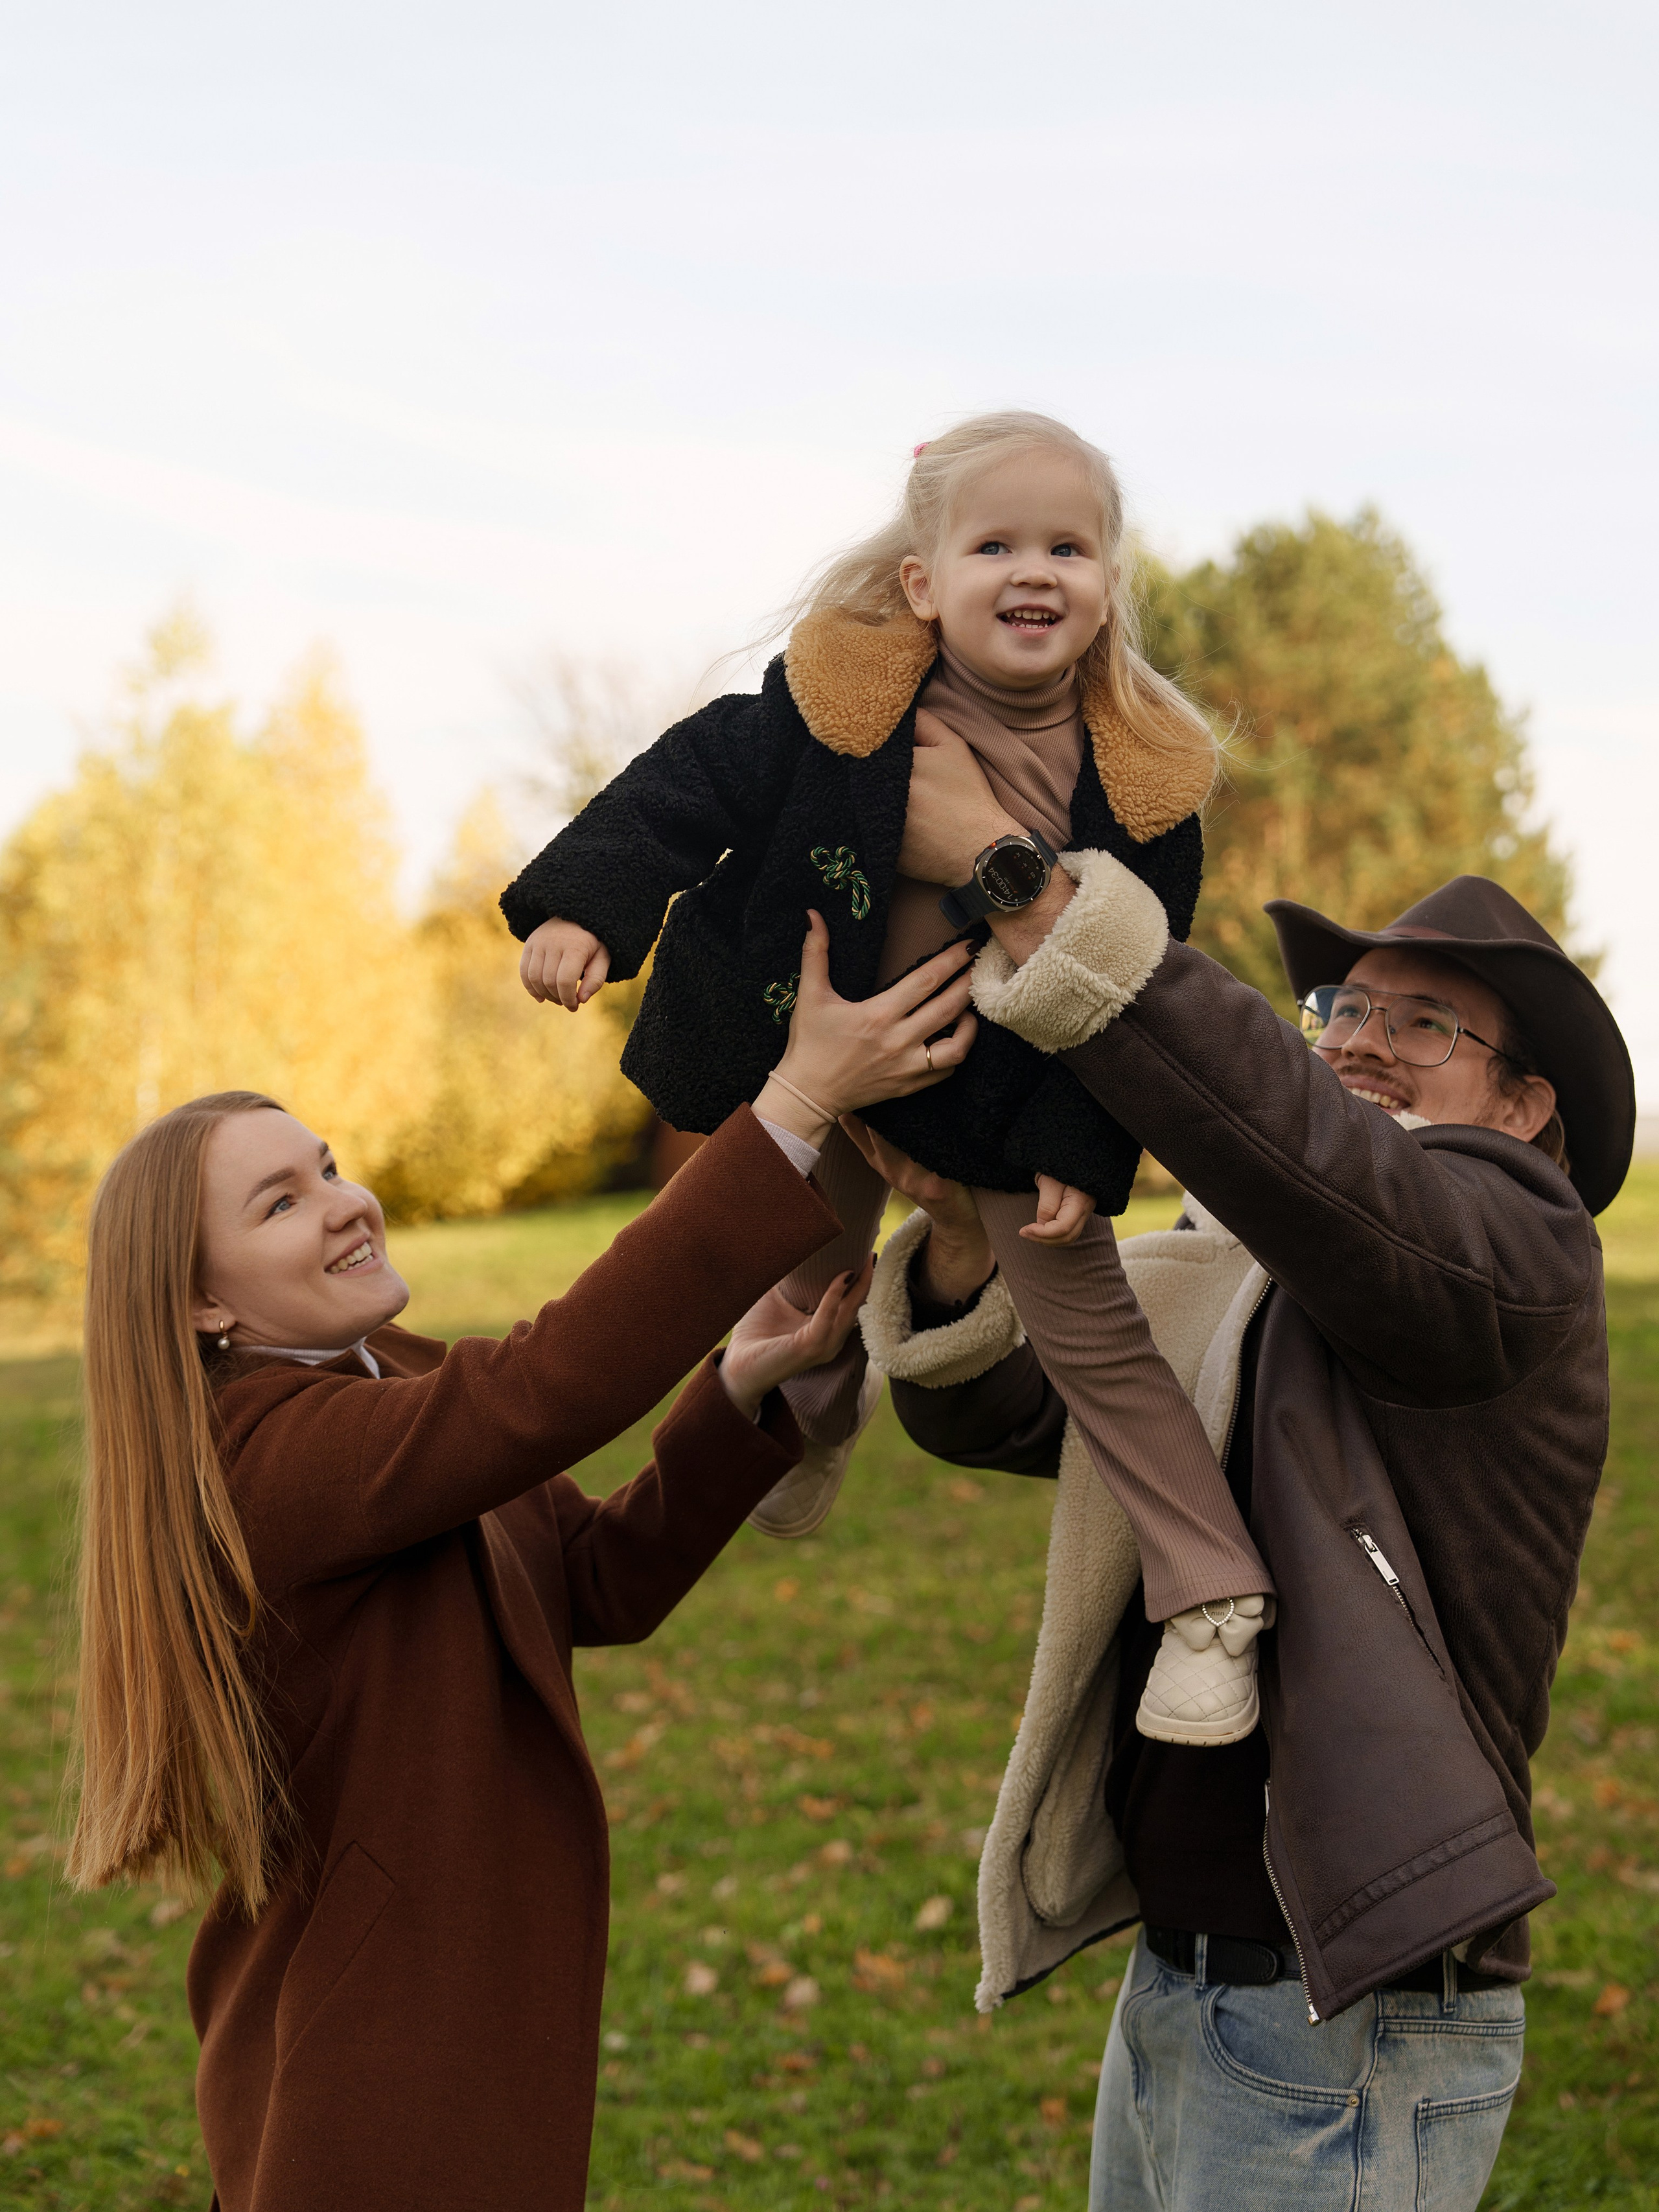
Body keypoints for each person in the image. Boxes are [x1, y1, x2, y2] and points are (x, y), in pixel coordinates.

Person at [65, 916, 975, 2212]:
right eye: (282, 1204)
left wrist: (733, 1390)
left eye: (325, 1169)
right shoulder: (263, 1455)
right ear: (203, 1305)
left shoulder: (392, 1380)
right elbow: (548, 1386)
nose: (346, 1204)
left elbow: (596, 1580)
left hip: (463, 2008)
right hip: (372, 2066)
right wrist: (796, 1101)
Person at [860, 756, 1632, 2209]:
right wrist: (962, 1234)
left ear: (1524, 1109)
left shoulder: (1514, 1255)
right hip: (1192, 1983)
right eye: (1339, 1007)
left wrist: (1031, 890)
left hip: (1348, 2009)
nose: (1356, 1039)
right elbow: (1017, 1411)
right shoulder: (1259, 1269)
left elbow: (1321, 1162)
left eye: (1423, 1021)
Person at [501, 410, 1275, 1747]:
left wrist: (1080, 1156)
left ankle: (1210, 1599)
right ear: (921, 582)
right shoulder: (830, 714)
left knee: (1094, 1341)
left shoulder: (1141, 786)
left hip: (998, 1095)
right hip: (818, 1043)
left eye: (1067, 548)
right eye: (994, 544)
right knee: (796, 1269)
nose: (1034, 571)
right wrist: (586, 913)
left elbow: (1124, 983)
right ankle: (801, 1420)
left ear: (1104, 589)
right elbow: (676, 793)